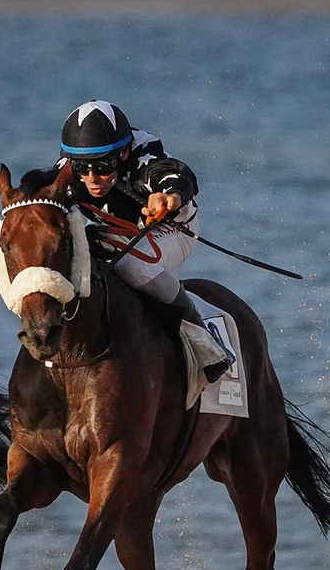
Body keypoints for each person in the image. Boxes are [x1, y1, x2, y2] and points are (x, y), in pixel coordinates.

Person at [56, 100, 234, 381]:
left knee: (131, 267)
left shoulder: (144, 154)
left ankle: (206, 344)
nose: (92, 178)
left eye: (103, 165)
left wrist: (169, 197)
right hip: (112, 235)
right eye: (81, 167)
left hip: (172, 230)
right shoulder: (68, 171)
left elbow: (176, 175)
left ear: (124, 153)